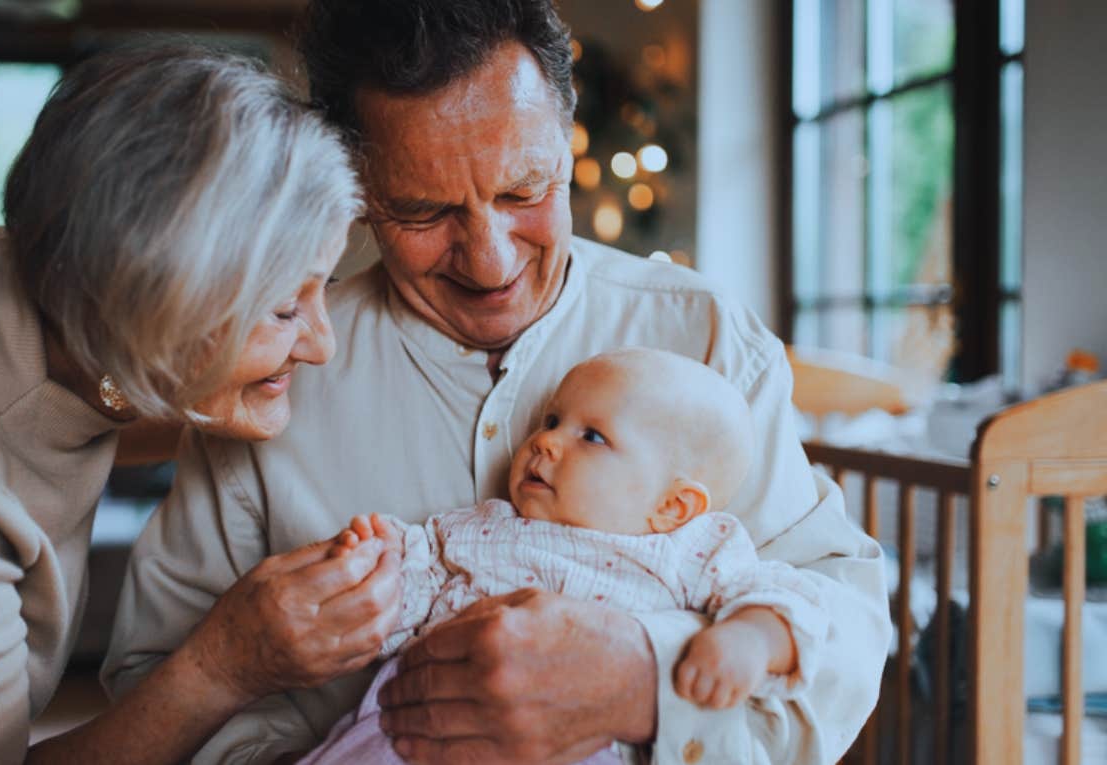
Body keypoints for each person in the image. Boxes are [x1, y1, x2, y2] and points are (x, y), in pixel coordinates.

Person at [103, 2, 889, 763]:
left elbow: (839, 618)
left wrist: (649, 681)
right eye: (422, 211)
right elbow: (159, 678)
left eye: (523, 192)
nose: (490, 261)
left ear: (565, 142)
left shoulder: (706, 336)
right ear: (358, 197)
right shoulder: (273, 368)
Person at [0, 42, 391, 765]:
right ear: (160, 312)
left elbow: (101, 406)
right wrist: (226, 664)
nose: (322, 345)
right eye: (282, 310)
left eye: (322, 288)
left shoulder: (28, 274)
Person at [300, 348, 830, 764]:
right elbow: (408, 592)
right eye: (552, 420)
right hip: (419, 732)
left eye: (592, 436)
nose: (546, 443)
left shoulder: (689, 550)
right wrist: (379, 559)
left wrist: (749, 638)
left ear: (672, 505)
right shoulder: (484, 528)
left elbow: (782, 595)